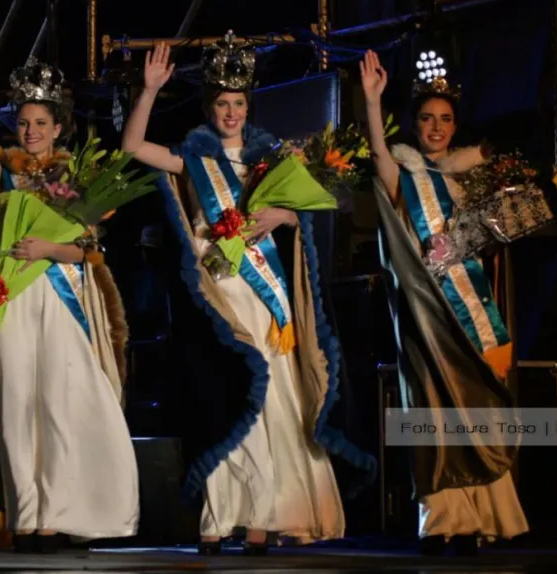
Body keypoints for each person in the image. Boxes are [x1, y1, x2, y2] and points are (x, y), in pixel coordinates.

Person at [120, 34, 376, 555]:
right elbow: (132, 148)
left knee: (270, 401)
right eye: (221, 103)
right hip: (214, 297)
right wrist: (148, 93)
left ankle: (262, 517)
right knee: (223, 396)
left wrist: (283, 214)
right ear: (209, 107)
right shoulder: (192, 157)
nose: (231, 112)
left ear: (248, 106)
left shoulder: (272, 157)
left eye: (238, 103)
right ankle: (219, 516)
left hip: (264, 296)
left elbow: (332, 199)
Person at [0, 52, 138, 553]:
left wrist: (48, 248)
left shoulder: (77, 179)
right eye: (24, 123)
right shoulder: (6, 176)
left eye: (40, 123)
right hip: (15, 305)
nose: (30, 132)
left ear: (57, 128)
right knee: (17, 406)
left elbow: (91, 249)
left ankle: (63, 514)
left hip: (60, 301)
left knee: (63, 406)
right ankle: (28, 518)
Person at [359, 49, 528, 555]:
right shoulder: (403, 174)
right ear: (414, 124)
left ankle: (488, 518)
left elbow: (498, 236)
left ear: (456, 127)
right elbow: (377, 156)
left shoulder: (473, 178)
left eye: (446, 120)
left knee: (478, 412)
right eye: (427, 119)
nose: (436, 128)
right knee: (431, 410)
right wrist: (372, 101)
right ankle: (442, 520)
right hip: (425, 317)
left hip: (471, 313)